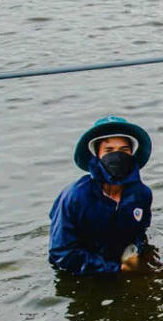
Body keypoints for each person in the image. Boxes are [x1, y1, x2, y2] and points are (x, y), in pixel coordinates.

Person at [49, 115, 153, 276]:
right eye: (109, 151)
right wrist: (114, 269)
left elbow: (140, 233)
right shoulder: (75, 197)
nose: (117, 157)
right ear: (97, 155)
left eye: (124, 150)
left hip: (122, 264)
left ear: (132, 154)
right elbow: (61, 254)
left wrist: (136, 254)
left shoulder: (142, 194)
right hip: (81, 274)